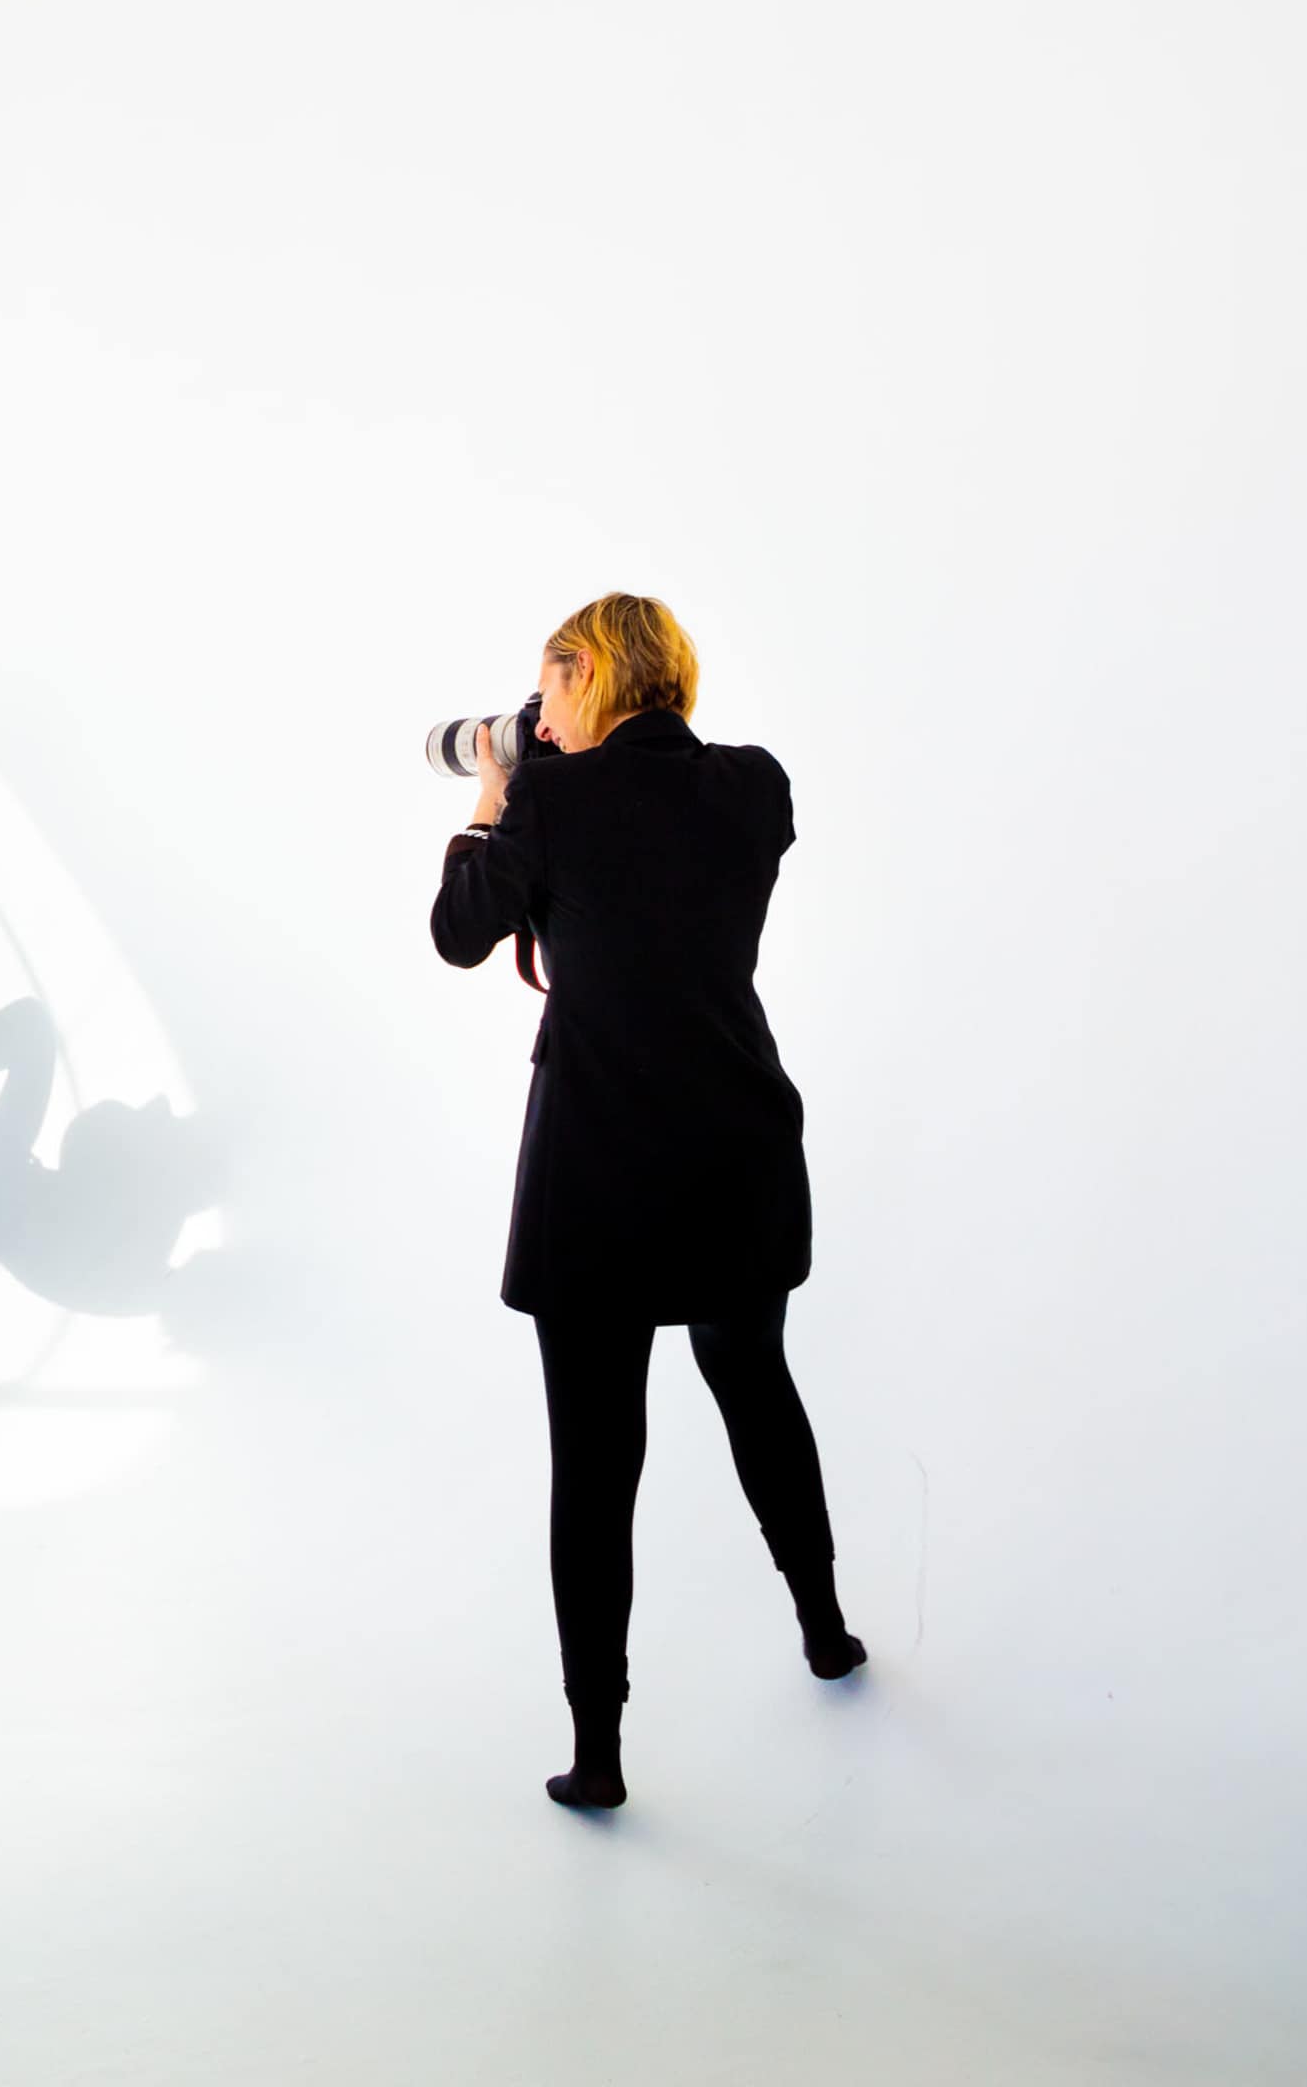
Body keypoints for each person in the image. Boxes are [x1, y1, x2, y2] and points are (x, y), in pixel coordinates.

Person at [431, 592, 864, 1814]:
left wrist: (494, 784)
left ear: (583, 675)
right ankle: (826, 1628)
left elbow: (461, 930)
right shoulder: (754, 786)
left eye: (548, 683)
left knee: (597, 1456)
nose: (540, 709)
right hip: (736, 1143)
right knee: (757, 1382)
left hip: (601, 1164)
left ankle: (601, 1752)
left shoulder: (549, 799)